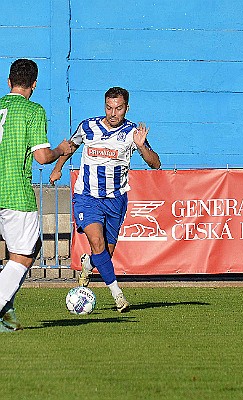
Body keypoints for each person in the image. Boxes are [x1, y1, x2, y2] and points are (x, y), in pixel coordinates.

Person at [49, 86, 161, 312]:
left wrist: (141, 147)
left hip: (116, 200)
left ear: (126, 108)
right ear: (104, 107)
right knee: (97, 243)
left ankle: (88, 263)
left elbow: (155, 163)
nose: (113, 113)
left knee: (105, 255)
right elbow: (70, 147)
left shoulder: (132, 133)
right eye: (109, 108)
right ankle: (118, 296)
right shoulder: (88, 126)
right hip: (87, 196)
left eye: (118, 109)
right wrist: (58, 168)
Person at [0, 59, 73, 332]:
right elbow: (42, 157)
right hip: (15, 194)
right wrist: (61, 149)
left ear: (8, 81)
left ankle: (7, 318)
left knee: (25, 251)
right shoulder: (32, 110)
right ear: (34, 84)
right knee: (24, 255)